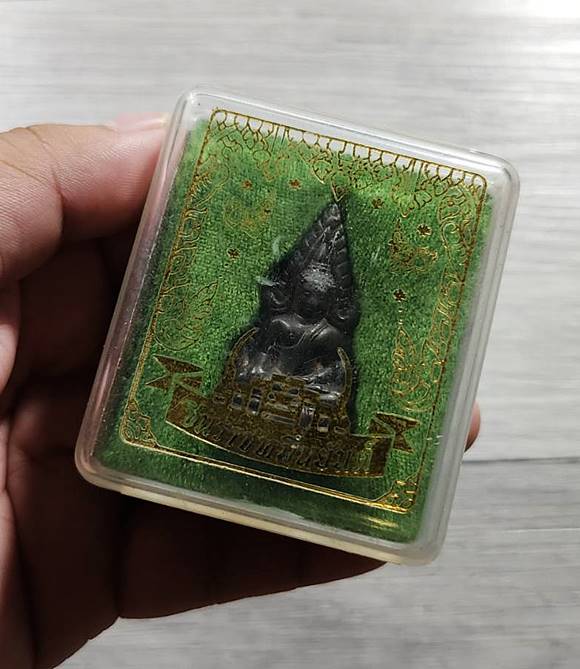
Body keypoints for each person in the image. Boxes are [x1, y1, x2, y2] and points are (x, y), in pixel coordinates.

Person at [0, 115, 481, 669]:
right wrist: (262, 371)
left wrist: (311, 387)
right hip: (247, 407)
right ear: (294, 288)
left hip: (302, 417)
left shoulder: (329, 341)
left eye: (320, 297)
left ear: (332, 301)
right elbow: (246, 362)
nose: (310, 301)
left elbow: (332, 384)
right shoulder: (270, 327)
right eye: (304, 291)